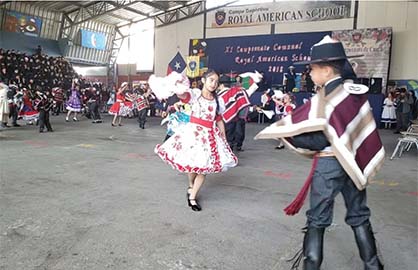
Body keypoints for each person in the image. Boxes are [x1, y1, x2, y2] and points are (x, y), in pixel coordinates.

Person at [256, 36, 384, 270]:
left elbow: (319, 138)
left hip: (329, 166)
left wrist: (289, 134)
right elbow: (356, 130)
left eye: (312, 69)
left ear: (325, 70)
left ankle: (311, 265)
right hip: (353, 162)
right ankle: (373, 265)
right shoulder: (354, 93)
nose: (310, 73)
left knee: (317, 219)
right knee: (359, 216)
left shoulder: (327, 98)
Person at [150, 70, 237, 211]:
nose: (214, 84)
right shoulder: (195, 94)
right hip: (193, 134)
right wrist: (177, 86)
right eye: (211, 80)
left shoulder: (218, 100)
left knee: (203, 169)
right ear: (204, 80)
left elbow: (219, 119)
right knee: (192, 166)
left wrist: (224, 138)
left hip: (210, 137)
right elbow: (184, 96)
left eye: (216, 81)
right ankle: (191, 185)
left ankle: (192, 197)